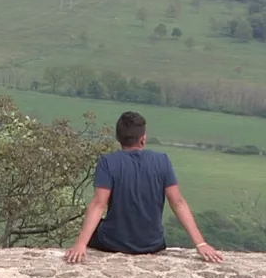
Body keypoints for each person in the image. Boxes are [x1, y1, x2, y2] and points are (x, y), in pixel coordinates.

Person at [65, 111, 223, 264]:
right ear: (143, 139)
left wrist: (80, 244)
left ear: (119, 138)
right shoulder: (162, 161)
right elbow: (178, 203)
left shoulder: (108, 162)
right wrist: (201, 244)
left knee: (98, 228)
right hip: (152, 244)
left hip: (113, 242)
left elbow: (99, 204)